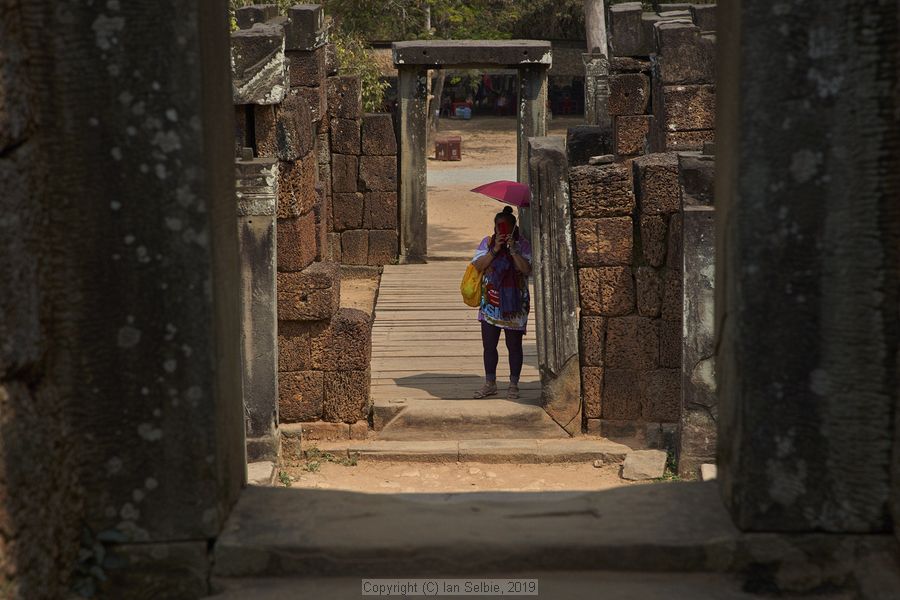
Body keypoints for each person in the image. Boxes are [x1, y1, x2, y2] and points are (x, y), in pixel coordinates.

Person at [470, 206, 533, 400]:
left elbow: (527, 269)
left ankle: (514, 384)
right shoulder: (487, 243)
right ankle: (490, 383)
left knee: (514, 345)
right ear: (495, 228)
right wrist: (495, 249)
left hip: (515, 305)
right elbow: (478, 265)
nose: (501, 230)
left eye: (505, 227)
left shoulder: (523, 245)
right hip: (491, 303)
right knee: (489, 345)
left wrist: (514, 251)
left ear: (514, 227)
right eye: (498, 227)